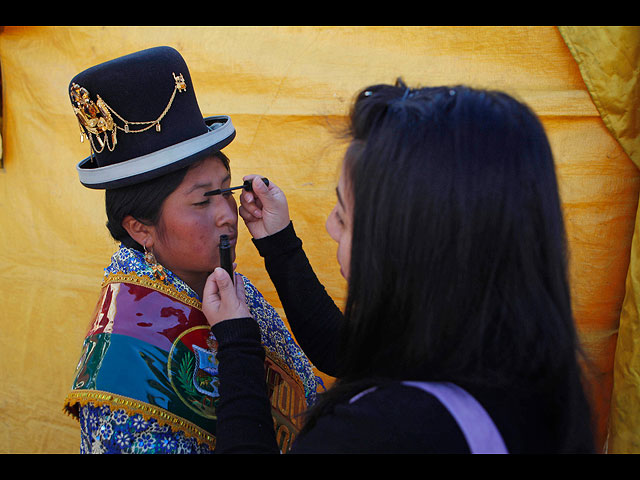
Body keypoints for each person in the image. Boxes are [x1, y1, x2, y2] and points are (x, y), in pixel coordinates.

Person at [202, 80, 596, 453]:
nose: (329, 227)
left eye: (343, 214)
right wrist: (279, 243)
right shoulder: (520, 365)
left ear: (403, 246)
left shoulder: (381, 432)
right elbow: (345, 351)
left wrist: (237, 345)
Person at [62, 46, 319, 454]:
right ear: (139, 227)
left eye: (227, 189)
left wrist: (281, 245)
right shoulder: (126, 368)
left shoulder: (219, 283)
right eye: (203, 201)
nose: (227, 215)